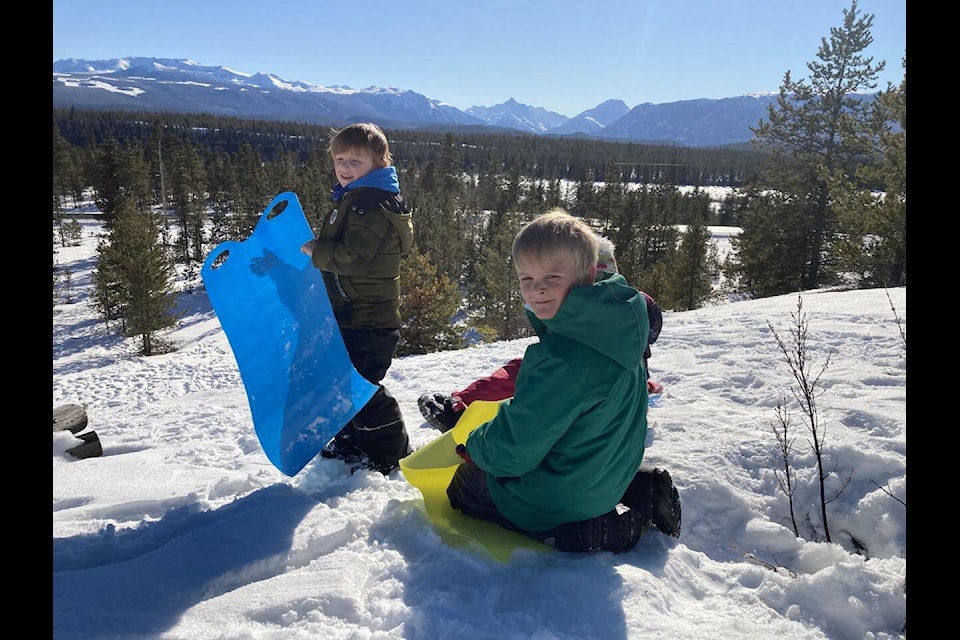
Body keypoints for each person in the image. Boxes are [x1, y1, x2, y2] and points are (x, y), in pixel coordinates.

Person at [445, 209, 680, 553]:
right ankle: (637, 488)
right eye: (527, 279)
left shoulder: (562, 358)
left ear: (586, 274)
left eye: (552, 277)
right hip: (610, 474)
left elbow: (513, 451)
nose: (537, 290)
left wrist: (477, 447)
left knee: (464, 488)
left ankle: (585, 531)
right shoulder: (619, 332)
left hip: (564, 497)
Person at [418, 236, 664, 433]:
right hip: (610, 427)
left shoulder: (589, 333)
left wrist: (472, 441)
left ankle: (460, 408)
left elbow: (536, 391)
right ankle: (461, 403)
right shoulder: (627, 319)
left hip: (582, 436)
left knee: (527, 372)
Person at [299, 122, 414, 475]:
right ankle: (351, 444)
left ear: (379, 163)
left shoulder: (370, 206)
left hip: (370, 318)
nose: (345, 167)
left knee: (359, 388)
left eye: (355, 161)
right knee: (341, 381)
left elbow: (354, 259)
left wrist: (318, 252)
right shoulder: (352, 199)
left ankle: (393, 455)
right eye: (340, 159)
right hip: (351, 313)